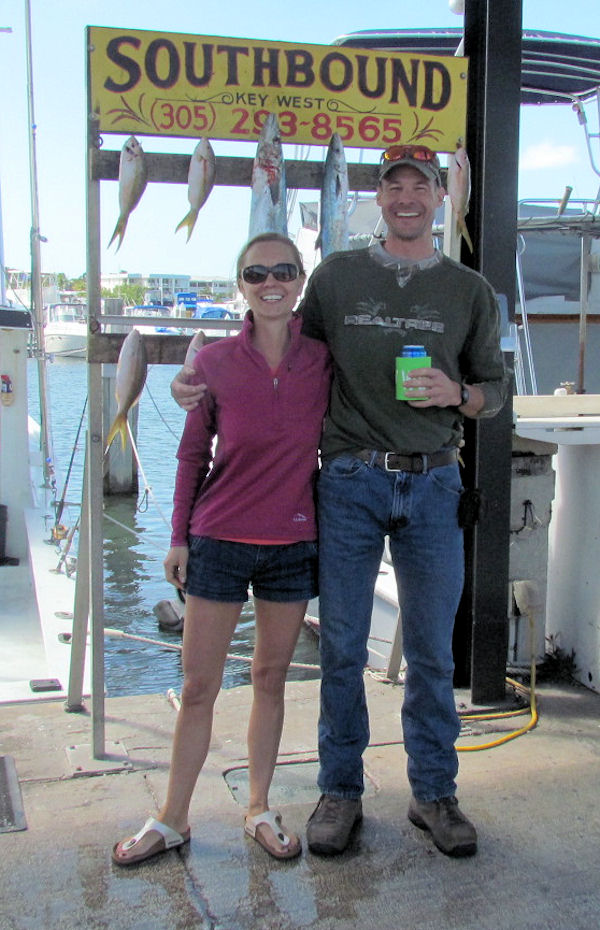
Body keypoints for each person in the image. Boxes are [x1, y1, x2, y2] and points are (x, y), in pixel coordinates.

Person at [171, 144, 510, 861]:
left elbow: (495, 391)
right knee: (344, 648)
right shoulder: (335, 278)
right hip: (350, 482)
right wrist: (195, 377)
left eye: (421, 186)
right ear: (378, 198)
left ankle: (434, 793)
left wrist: (459, 393)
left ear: (440, 198)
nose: (408, 197)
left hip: (435, 483)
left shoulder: (470, 290)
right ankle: (340, 791)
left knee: (430, 650)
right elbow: (282, 346)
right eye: (395, 186)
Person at [112, 233, 331, 866]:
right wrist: (177, 537)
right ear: (241, 286)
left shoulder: (324, 360)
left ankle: (258, 807)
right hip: (217, 541)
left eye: (283, 271)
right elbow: (190, 455)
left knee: (270, 679)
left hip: (293, 542)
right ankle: (172, 818)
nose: (271, 283)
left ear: (300, 280)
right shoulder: (210, 363)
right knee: (199, 685)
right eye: (256, 274)